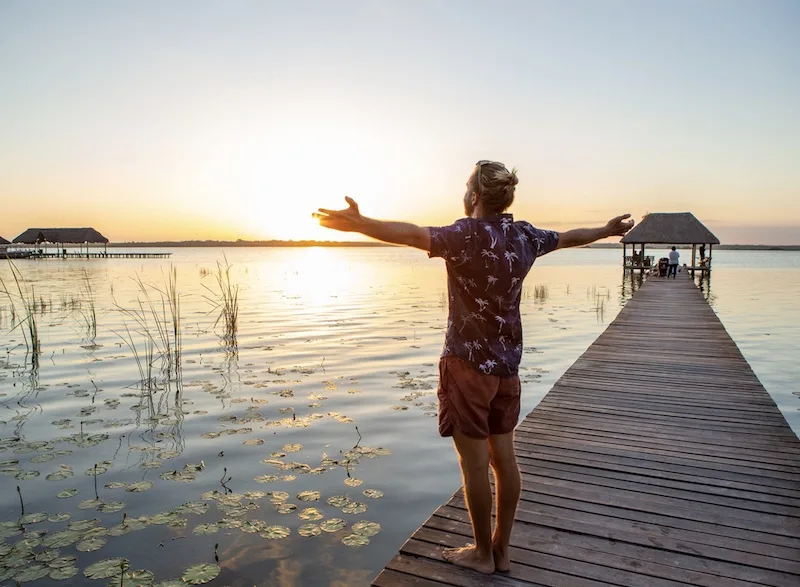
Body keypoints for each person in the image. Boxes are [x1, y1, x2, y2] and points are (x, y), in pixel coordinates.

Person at [314, 161, 634, 575]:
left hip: (466, 367)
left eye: (467, 186)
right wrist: (606, 231)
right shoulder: (524, 236)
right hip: (507, 369)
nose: (464, 192)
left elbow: (411, 235)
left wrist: (361, 224)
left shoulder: (465, 235)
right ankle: (502, 550)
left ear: (476, 196)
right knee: (505, 458)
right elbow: (569, 237)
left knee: (474, 465)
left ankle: (483, 554)